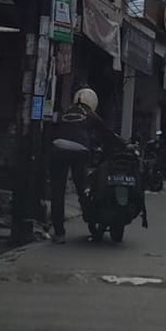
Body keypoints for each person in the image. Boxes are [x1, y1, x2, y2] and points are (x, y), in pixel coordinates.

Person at [48, 87, 121, 243]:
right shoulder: (91, 115)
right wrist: (121, 144)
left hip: (57, 148)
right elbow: (106, 133)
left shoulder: (65, 112)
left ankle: (59, 233)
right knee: (83, 188)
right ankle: (92, 216)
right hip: (80, 150)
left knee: (57, 192)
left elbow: (51, 126)